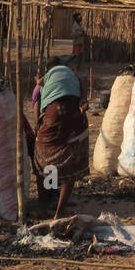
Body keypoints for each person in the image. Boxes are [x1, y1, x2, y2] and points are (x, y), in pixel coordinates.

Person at [33, 58, 89, 219]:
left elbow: (36, 101)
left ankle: (43, 207)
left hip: (53, 114)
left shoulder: (44, 80)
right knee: (70, 159)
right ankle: (59, 210)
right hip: (74, 113)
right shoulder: (71, 74)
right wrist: (83, 99)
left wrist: (37, 126)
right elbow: (83, 79)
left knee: (45, 158)